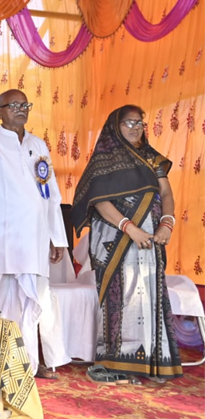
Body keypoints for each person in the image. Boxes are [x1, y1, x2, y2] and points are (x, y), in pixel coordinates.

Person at [71, 105, 182, 384]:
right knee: (120, 295)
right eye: (129, 123)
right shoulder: (103, 160)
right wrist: (130, 228)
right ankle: (114, 360)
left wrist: (167, 223)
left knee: (150, 294)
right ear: (114, 126)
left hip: (151, 238)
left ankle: (151, 362)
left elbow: (166, 193)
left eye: (140, 123)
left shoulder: (151, 158)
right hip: (116, 239)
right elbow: (98, 201)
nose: (136, 128)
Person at [0, 89, 68, 379]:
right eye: (14, 105)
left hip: (34, 238)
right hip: (0, 238)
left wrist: (57, 237)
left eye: (25, 105)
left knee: (32, 302)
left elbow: (51, 195)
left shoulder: (38, 145)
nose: (21, 109)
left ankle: (29, 362)